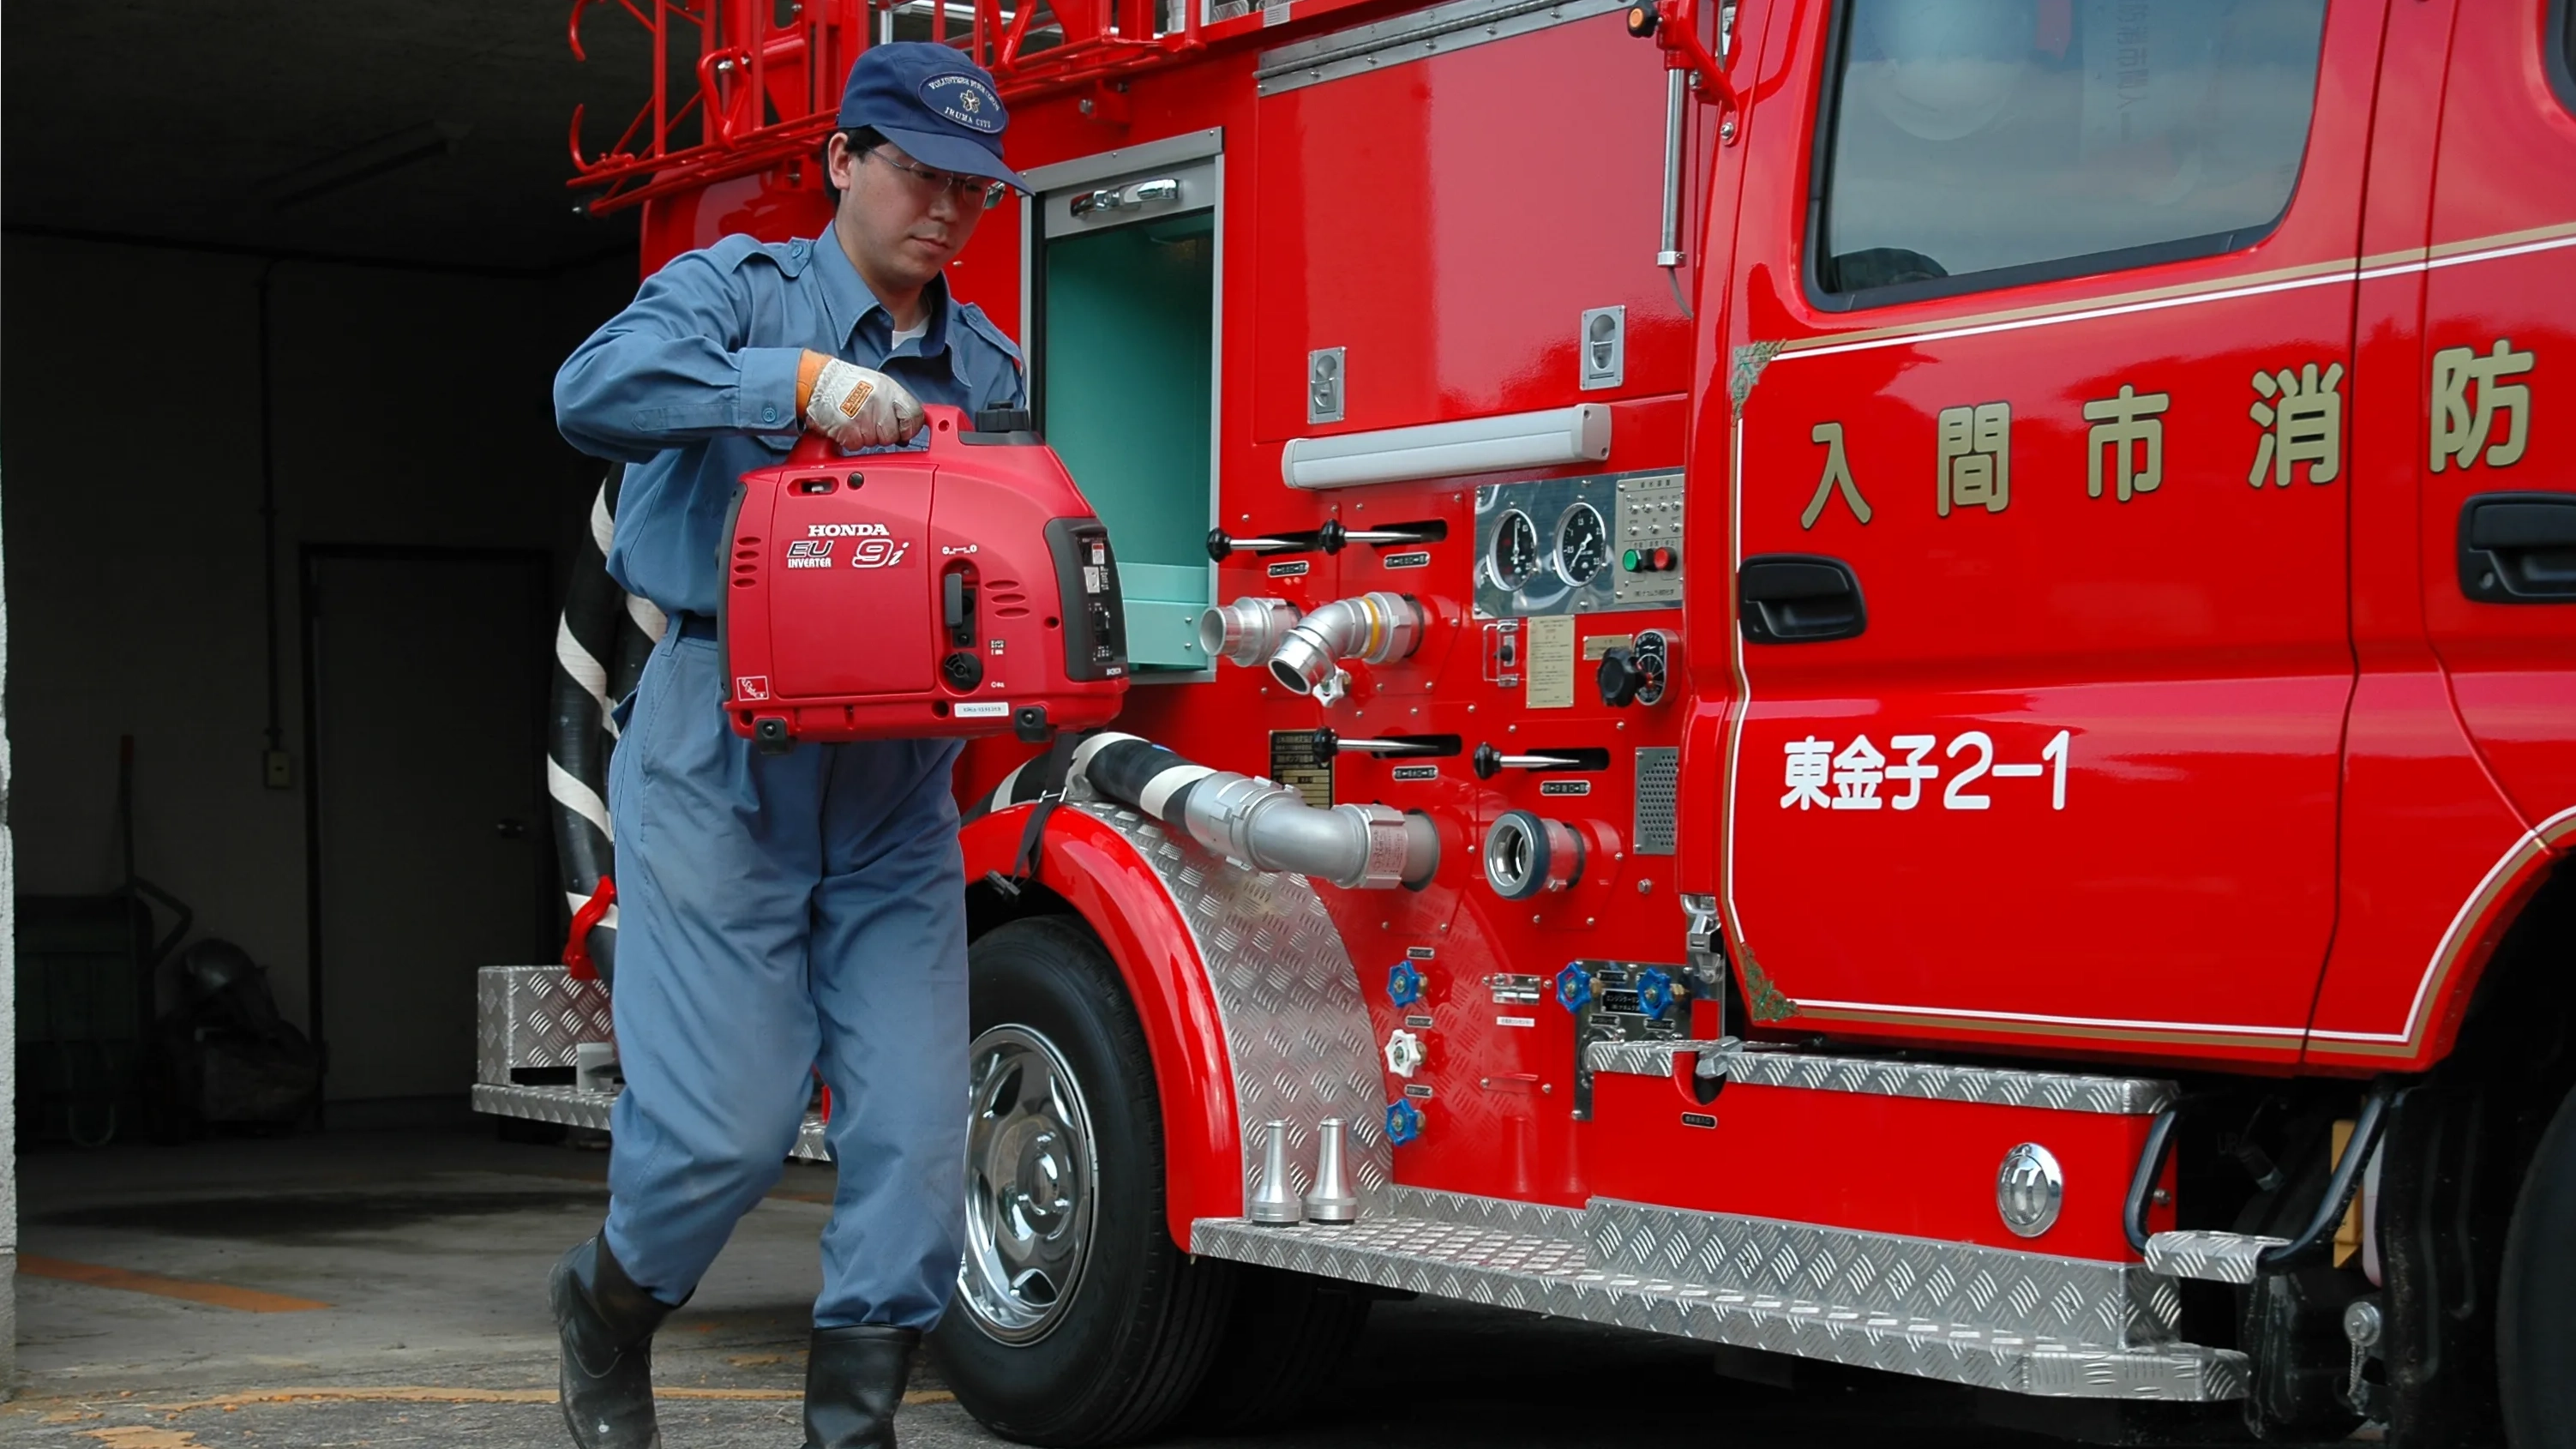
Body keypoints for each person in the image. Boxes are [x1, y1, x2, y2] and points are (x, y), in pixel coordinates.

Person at [549, 41, 1029, 1449]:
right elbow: (593, 391)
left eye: (972, 188)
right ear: (842, 159)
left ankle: (852, 1425)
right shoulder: (730, 294)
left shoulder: (984, 358)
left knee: (917, 1134)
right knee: (726, 1129)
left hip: (894, 779)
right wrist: (797, 383)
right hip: (723, 748)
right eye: (917, 172)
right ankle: (608, 1305)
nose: (945, 206)